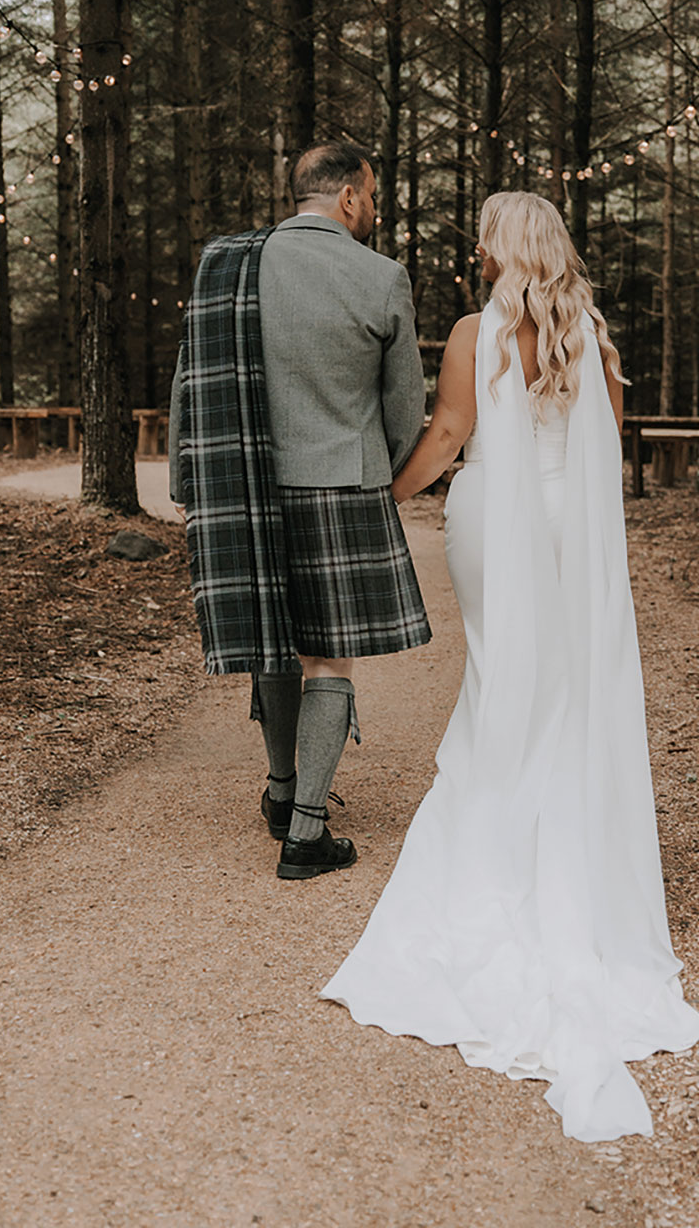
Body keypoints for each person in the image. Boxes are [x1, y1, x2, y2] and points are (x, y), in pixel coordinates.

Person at [322, 190, 699, 1140]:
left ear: (506, 244)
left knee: (503, 678)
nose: (478, 251)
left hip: (495, 520)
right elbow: (608, 439)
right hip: (569, 523)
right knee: (569, 686)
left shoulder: (475, 331)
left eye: (485, 237)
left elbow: (450, 437)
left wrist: (387, 491)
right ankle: (568, 844)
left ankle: (503, 847)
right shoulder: (591, 331)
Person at [169, 141, 430, 879]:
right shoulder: (381, 277)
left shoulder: (225, 266)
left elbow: (191, 381)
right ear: (348, 196)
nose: (373, 210)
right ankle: (306, 834)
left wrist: (191, 477)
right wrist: (371, 462)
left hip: (240, 481)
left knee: (271, 639)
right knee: (326, 656)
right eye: (371, 196)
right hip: (339, 479)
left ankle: (283, 792)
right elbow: (405, 407)